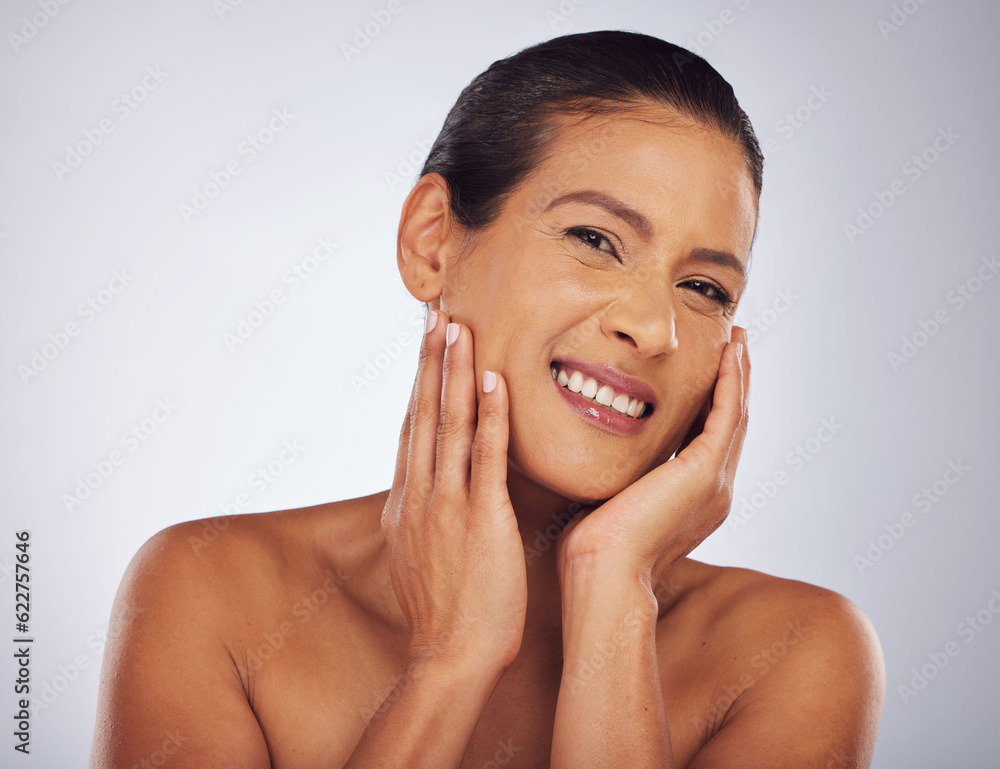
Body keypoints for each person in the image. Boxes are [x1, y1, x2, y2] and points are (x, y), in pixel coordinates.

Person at [89, 30, 885, 768]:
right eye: (595, 239)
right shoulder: (209, 594)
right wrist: (450, 661)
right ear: (432, 239)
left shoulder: (795, 652)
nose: (653, 327)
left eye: (704, 287)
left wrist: (613, 588)